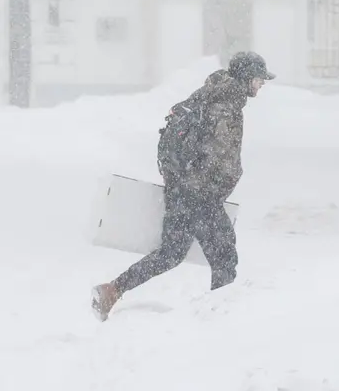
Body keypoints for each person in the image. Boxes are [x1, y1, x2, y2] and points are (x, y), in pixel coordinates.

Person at [90, 51, 274, 321]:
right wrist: (214, 192)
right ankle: (220, 321)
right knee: (224, 257)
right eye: (259, 79)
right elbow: (219, 158)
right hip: (201, 195)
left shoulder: (210, 93)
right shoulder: (225, 106)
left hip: (182, 188)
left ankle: (112, 290)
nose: (261, 85)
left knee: (171, 253)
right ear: (247, 78)